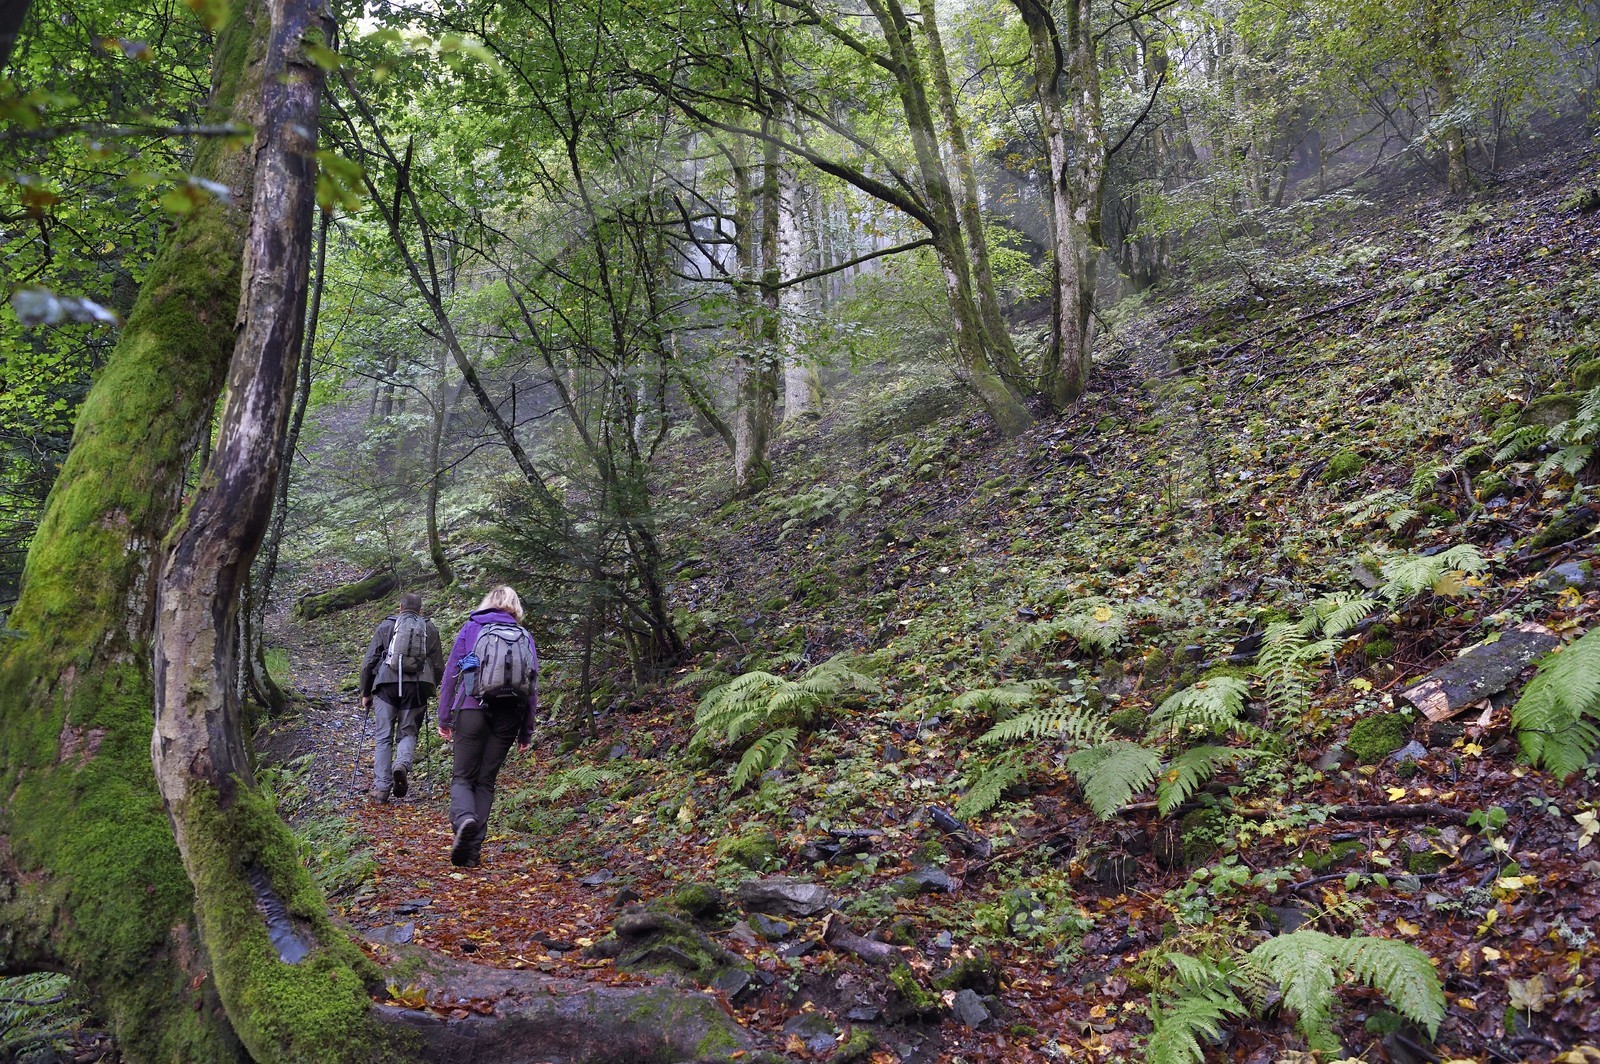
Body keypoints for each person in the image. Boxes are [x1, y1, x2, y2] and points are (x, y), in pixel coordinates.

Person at [437, 585, 538, 867]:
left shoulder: (471, 628)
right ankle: (472, 851)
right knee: (485, 781)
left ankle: (464, 820)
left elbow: (450, 676)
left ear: (487, 603)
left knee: (462, 777)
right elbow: (532, 685)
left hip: (471, 708)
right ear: (515, 606)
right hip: (510, 714)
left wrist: (444, 717)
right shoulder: (523, 635)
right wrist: (526, 730)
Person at [359, 592, 444, 803]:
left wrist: (365, 692)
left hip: (386, 685)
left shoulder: (387, 626)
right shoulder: (429, 628)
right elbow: (438, 665)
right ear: (420, 610)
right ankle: (401, 765)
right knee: (408, 732)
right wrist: (431, 686)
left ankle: (381, 789)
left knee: (383, 737)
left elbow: (369, 662)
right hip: (416, 688)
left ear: (399, 608)